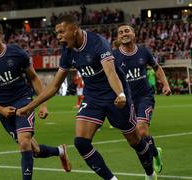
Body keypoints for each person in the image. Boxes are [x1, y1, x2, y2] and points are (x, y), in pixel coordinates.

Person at [17, 15, 157, 180]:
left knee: (135, 142)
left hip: (115, 97)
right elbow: (54, 85)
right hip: (92, 97)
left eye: (61, 31)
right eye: (56, 33)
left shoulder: (98, 42)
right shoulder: (67, 51)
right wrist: (30, 107)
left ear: (74, 30)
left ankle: (150, 172)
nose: (58, 36)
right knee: (81, 143)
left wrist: (120, 94)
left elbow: (111, 72)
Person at [0, 21, 71, 180]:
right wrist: (0, 109)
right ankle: (60, 151)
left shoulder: (16, 53)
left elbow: (33, 77)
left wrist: (42, 105)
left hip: (23, 101)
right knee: (35, 151)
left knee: (24, 142)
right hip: (3, 110)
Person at [113, 24, 171, 174]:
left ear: (133, 34)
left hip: (145, 97)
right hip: (126, 101)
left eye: (127, 31)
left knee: (142, 130)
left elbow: (157, 67)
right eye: (120, 32)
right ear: (118, 37)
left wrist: (165, 84)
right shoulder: (113, 56)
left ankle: (150, 171)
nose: (124, 34)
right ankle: (156, 154)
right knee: (136, 139)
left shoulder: (144, 51)